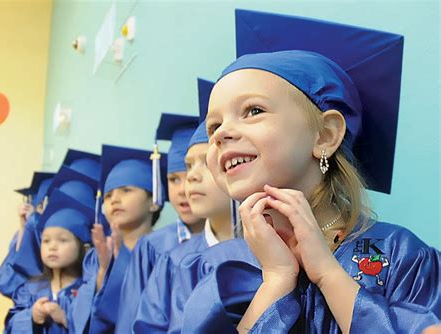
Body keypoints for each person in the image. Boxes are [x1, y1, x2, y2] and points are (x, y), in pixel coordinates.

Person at [179, 10, 440, 333]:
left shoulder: (399, 254)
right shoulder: (213, 268)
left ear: (326, 135)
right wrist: (275, 281)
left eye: (253, 110)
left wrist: (329, 275)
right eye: (214, 125)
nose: (220, 134)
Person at [132, 78, 234, 333]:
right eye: (189, 165)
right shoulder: (174, 263)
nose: (192, 177)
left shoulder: (276, 256)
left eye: (206, 162)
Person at [114, 113, 206, 333]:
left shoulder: (239, 241)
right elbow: (130, 321)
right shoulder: (151, 247)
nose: (184, 189)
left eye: (192, 175)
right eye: (174, 179)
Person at [71, 145, 166, 333]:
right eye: (108, 195)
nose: (114, 199)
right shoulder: (95, 258)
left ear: (154, 202)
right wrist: (103, 273)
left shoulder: (165, 252)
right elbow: (82, 316)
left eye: (126, 190)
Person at [4, 190, 94, 333]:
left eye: (63, 240)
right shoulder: (30, 289)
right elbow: (10, 325)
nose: (52, 247)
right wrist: (31, 316)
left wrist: (67, 320)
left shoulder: (86, 292)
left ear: (85, 248)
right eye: (46, 241)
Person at [0, 172, 55, 298]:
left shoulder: (58, 234)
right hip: (30, 293)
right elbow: (16, 262)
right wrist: (23, 226)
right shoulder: (25, 231)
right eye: (40, 206)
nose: (42, 212)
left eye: (45, 206)